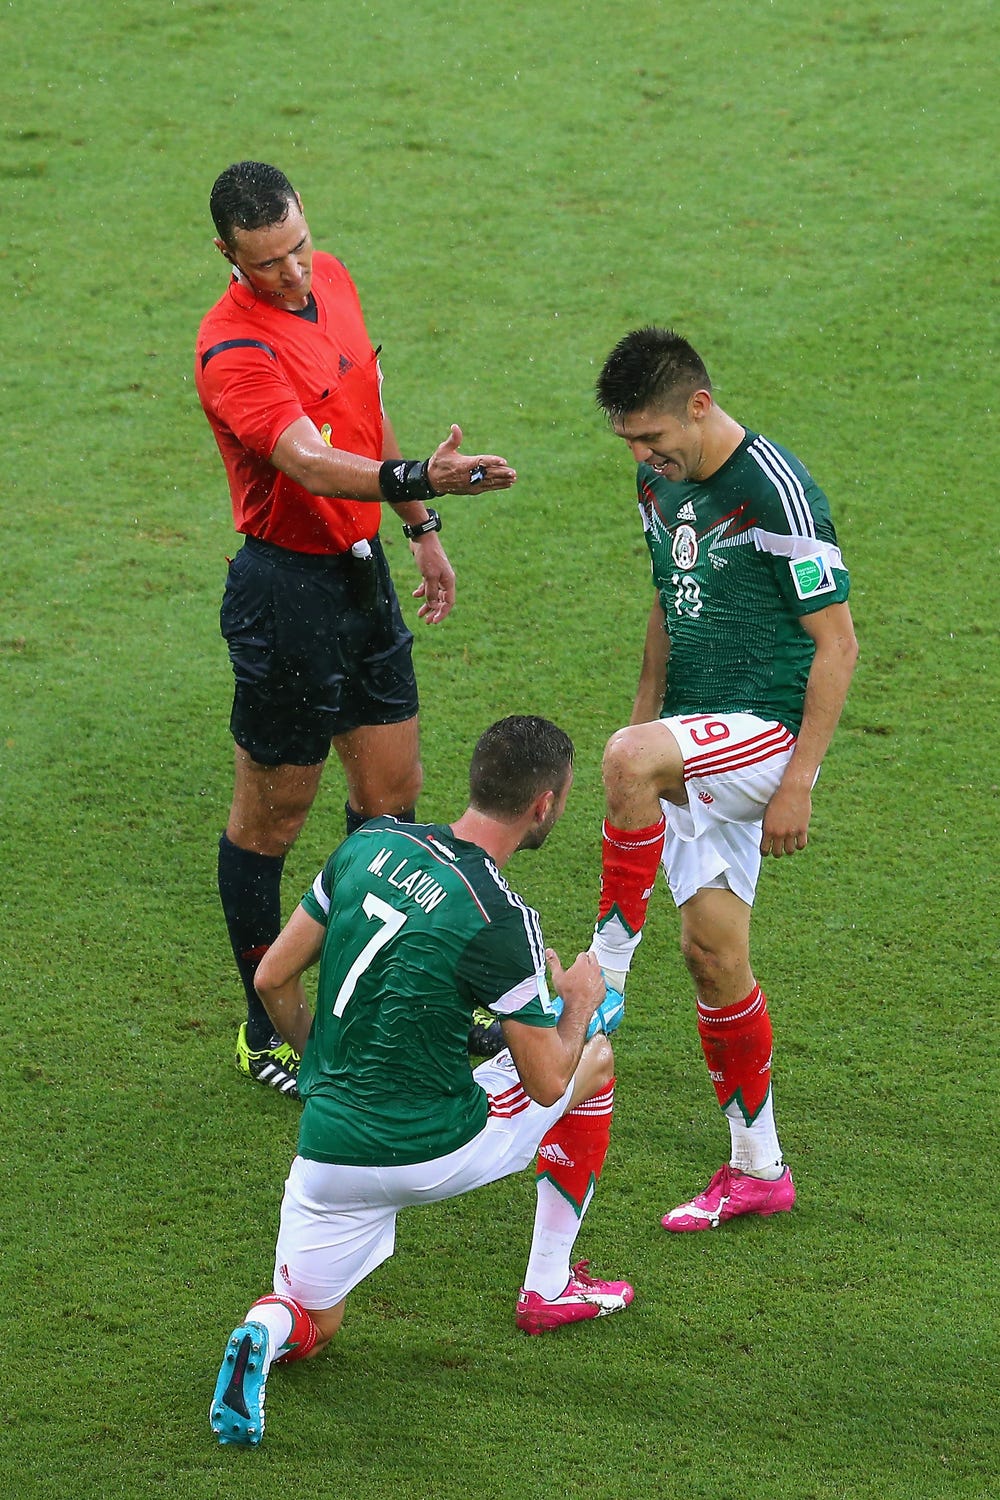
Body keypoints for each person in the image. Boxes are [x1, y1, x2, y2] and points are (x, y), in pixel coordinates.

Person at [209, 716, 632, 1447]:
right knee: (592, 1060)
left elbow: (274, 976)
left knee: (314, 1316)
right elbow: (545, 1080)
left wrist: (321, 1062)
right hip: (431, 1149)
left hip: (328, 1151)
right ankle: (550, 1284)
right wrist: (580, 1006)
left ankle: (261, 1331)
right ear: (545, 805)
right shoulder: (502, 919)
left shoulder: (369, 844)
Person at [195, 161, 517, 1097]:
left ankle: (382, 997)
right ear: (227, 257)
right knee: (274, 817)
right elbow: (310, 460)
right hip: (284, 594)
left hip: (359, 572)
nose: (294, 275)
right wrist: (421, 480)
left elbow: (361, 416)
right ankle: (269, 1027)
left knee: (391, 796)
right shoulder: (230, 352)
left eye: (298, 248)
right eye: (269, 266)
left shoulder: (331, 274)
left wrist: (419, 528)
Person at [588, 327, 858, 1232]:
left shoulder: (778, 489)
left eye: (652, 434)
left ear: (700, 405)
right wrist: (644, 720)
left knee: (628, 760)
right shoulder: (656, 484)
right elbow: (670, 606)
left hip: (767, 736)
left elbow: (838, 644)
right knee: (712, 955)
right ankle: (758, 1168)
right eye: (629, 440)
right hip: (695, 744)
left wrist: (800, 782)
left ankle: (603, 981)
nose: (643, 453)